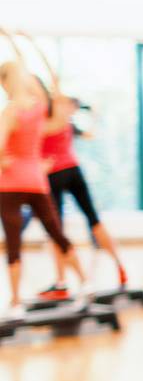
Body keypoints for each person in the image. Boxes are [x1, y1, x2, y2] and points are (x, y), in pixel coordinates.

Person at [20, 30, 131, 287]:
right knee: (92, 220)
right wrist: (30, 42)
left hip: (56, 174)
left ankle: (62, 280)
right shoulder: (53, 109)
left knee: (56, 231)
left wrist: (30, 42)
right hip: (71, 169)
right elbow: (52, 78)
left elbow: (51, 79)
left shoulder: (39, 114)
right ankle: (119, 267)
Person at [0, 28, 87, 308]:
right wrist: (23, 42)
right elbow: (48, 81)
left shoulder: (12, 112)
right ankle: (85, 281)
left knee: (14, 243)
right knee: (56, 232)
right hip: (34, 180)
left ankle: (14, 300)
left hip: (11, 182)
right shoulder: (34, 109)